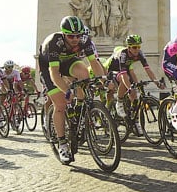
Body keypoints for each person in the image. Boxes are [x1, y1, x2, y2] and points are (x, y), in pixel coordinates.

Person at [38, 15, 106, 164]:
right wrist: (67, 91)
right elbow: (55, 74)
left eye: (78, 35)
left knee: (84, 73)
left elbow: (94, 63)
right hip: (49, 67)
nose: (75, 39)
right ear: (63, 34)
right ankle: (62, 144)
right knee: (61, 104)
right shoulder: (54, 43)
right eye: (71, 36)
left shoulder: (84, 40)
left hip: (68, 61)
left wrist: (103, 81)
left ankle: (79, 107)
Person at [107, 34, 164, 134]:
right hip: (114, 70)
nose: (137, 49)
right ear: (128, 47)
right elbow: (124, 75)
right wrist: (129, 88)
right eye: (134, 47)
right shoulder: (123, 54)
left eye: (138, 47)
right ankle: (119, 102)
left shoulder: (140, 54)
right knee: (126, 82)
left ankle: (135, 120)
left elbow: (148, 69)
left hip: (125, 70)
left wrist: (156, 82)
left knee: (135, 96)